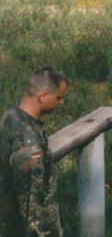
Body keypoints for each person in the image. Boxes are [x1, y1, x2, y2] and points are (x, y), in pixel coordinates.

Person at [0, 68, 67, 237]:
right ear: (43, 96)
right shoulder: (29, 146)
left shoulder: (10, 116)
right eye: (59, 97)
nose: (61, 102)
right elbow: (32, 212)